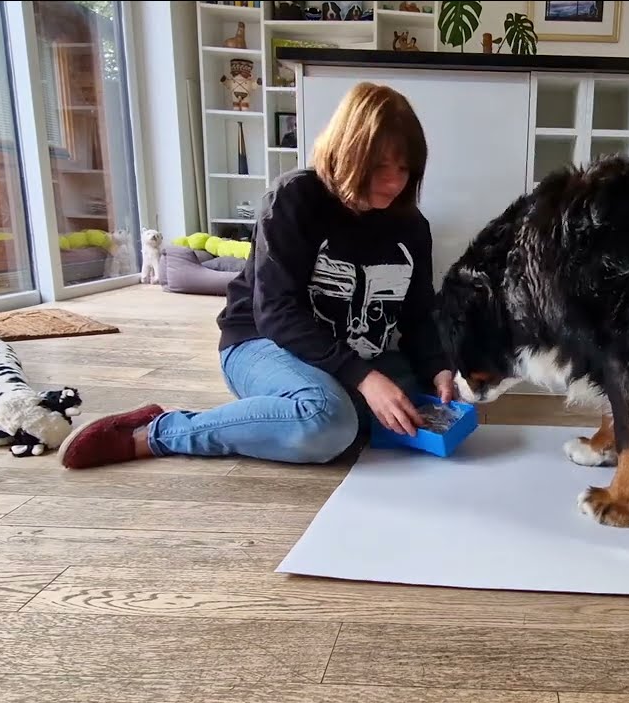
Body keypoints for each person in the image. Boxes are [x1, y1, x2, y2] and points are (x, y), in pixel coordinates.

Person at [59, 82, 454, 470]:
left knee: (419, 401)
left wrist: (438, 366)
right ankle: (157, 432)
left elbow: (418, 313)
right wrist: (365, 378)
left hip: (351, 358)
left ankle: (300, 413)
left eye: (404, 169)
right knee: (328, 424)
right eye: (380, 166)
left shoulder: (411, 225)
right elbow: (276, 312)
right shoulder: (294, 199)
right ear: (348, 152)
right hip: (261, 342)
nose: (393, 182)